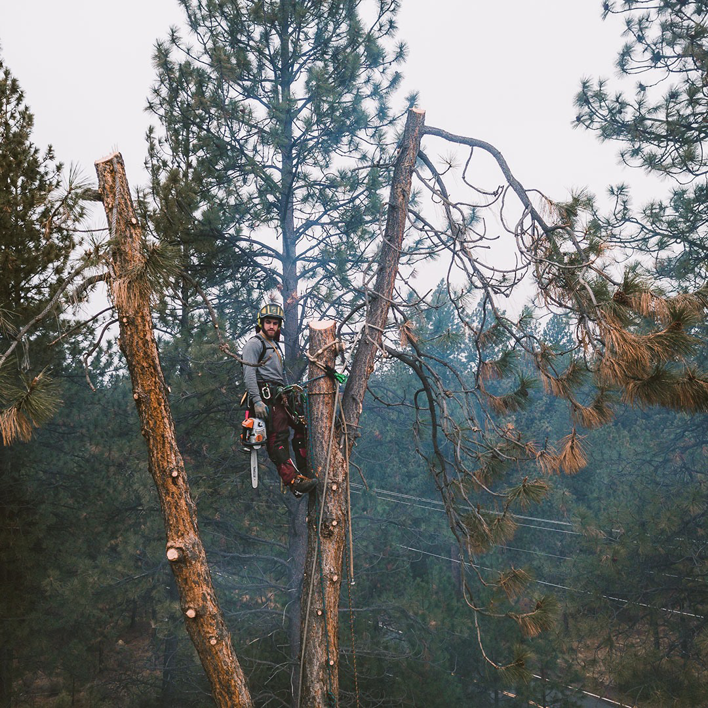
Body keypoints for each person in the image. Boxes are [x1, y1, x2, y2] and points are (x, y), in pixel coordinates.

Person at [242, 304, 317, 496]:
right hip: (265, 396)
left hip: (279, 395)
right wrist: (257, 400)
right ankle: (292, 480)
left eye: (275, 323)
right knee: (277, 437)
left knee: (302, 426)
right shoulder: (255, 343)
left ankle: (306, 470)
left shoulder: (274, 345)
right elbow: (249, 374)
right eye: (268, 322)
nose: (271, 326)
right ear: (261, 323)